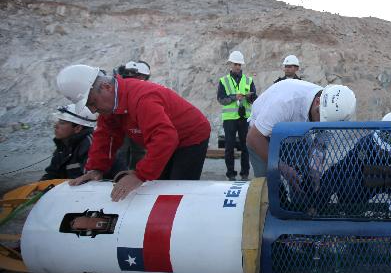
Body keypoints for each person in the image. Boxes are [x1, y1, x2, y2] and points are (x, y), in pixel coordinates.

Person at [56, 64, 211, 201]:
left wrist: (139, 175)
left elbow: (165, 138)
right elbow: (106, 136)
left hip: (191, 135)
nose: (93, 110)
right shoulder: (111, 106)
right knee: (158, 183)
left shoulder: (142, 98)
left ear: (106, 87)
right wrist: (97, 169)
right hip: (166, 135)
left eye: (92, 102)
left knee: (177, 189)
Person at [280, 111, 391, 219]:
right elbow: (340, 170)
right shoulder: (367, 144)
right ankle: (358, 232)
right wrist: (316, 203)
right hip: (372, 178)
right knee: (349, 186)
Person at [246, 80, 356, 178]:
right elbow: (253, 137)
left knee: (305, 183)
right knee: (268, 188)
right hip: (262, 137)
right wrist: (283, 168)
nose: (321, 126)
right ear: (317, 102)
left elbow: (319, 147)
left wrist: (315, 174)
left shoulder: (331, 112)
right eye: (321, 120)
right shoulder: (285, 102)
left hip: (297, 134)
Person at [217, 51, 257, 181]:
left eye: (239, 64)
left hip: (244, 117)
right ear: (231, 64)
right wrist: (235, 97)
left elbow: (254, 100)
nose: (238, 67)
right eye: (235, 64)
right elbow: (221, 99)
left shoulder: (248, 80)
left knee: (246, 146)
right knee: (229, 146)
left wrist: (250, 96)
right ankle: (231, 174)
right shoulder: (224, 81)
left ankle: (245, 173)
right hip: (229, 119)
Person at [40, 104, 98, 180]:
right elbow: (52, 173)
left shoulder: (90, 145)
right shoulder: (64, 144)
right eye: (58, 121)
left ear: (77, 128)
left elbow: (90, 179)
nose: (56, 125)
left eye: (62, 122)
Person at [115, 60, 152, 170]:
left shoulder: (117, 84)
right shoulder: (120, 86)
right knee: (122, 152)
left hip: (134, 123)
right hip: (125, 123)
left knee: (136, 152)